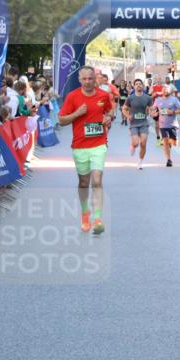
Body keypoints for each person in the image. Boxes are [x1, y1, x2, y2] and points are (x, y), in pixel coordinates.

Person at [58, 65, 114, 235]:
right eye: (84, 79)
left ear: (94, 78)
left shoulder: (103, 95)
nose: (88, 81)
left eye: (91, 78)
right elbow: (61, 120)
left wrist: (108, 117)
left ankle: (97, 219)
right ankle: (85, 214)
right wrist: (77, 114)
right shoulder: (72, 97)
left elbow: (110, 110)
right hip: (80, 146)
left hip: (98, 144)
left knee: (97, 180)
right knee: (84, 183)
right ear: (79, 80)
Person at [126, 79, 155, 169]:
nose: (138, 85)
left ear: (142, 86)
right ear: (134, 86)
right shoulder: (130, 98)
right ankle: (133, 145)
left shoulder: (148, 98)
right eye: (136, 84)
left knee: (143, 143)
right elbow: (124, 109)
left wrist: (153, 113)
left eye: (140, 84)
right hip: (134, 123)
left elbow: (151, 109)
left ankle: (140, 162)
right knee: (136, 143)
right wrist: (128, 115)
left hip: (144, 123)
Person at [156, 85, 180, 167]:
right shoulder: (158, 100)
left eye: (166, 89)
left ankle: (171, 142)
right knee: (165, 141)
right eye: (163, 89)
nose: (165, 91)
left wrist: (173, 112)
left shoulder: (174, 100)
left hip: (173, 125)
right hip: (163, 125)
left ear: (170, 91)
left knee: (174, 143)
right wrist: (153, 113)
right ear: (162, 91)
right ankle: (169, 160)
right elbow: (153, 109)